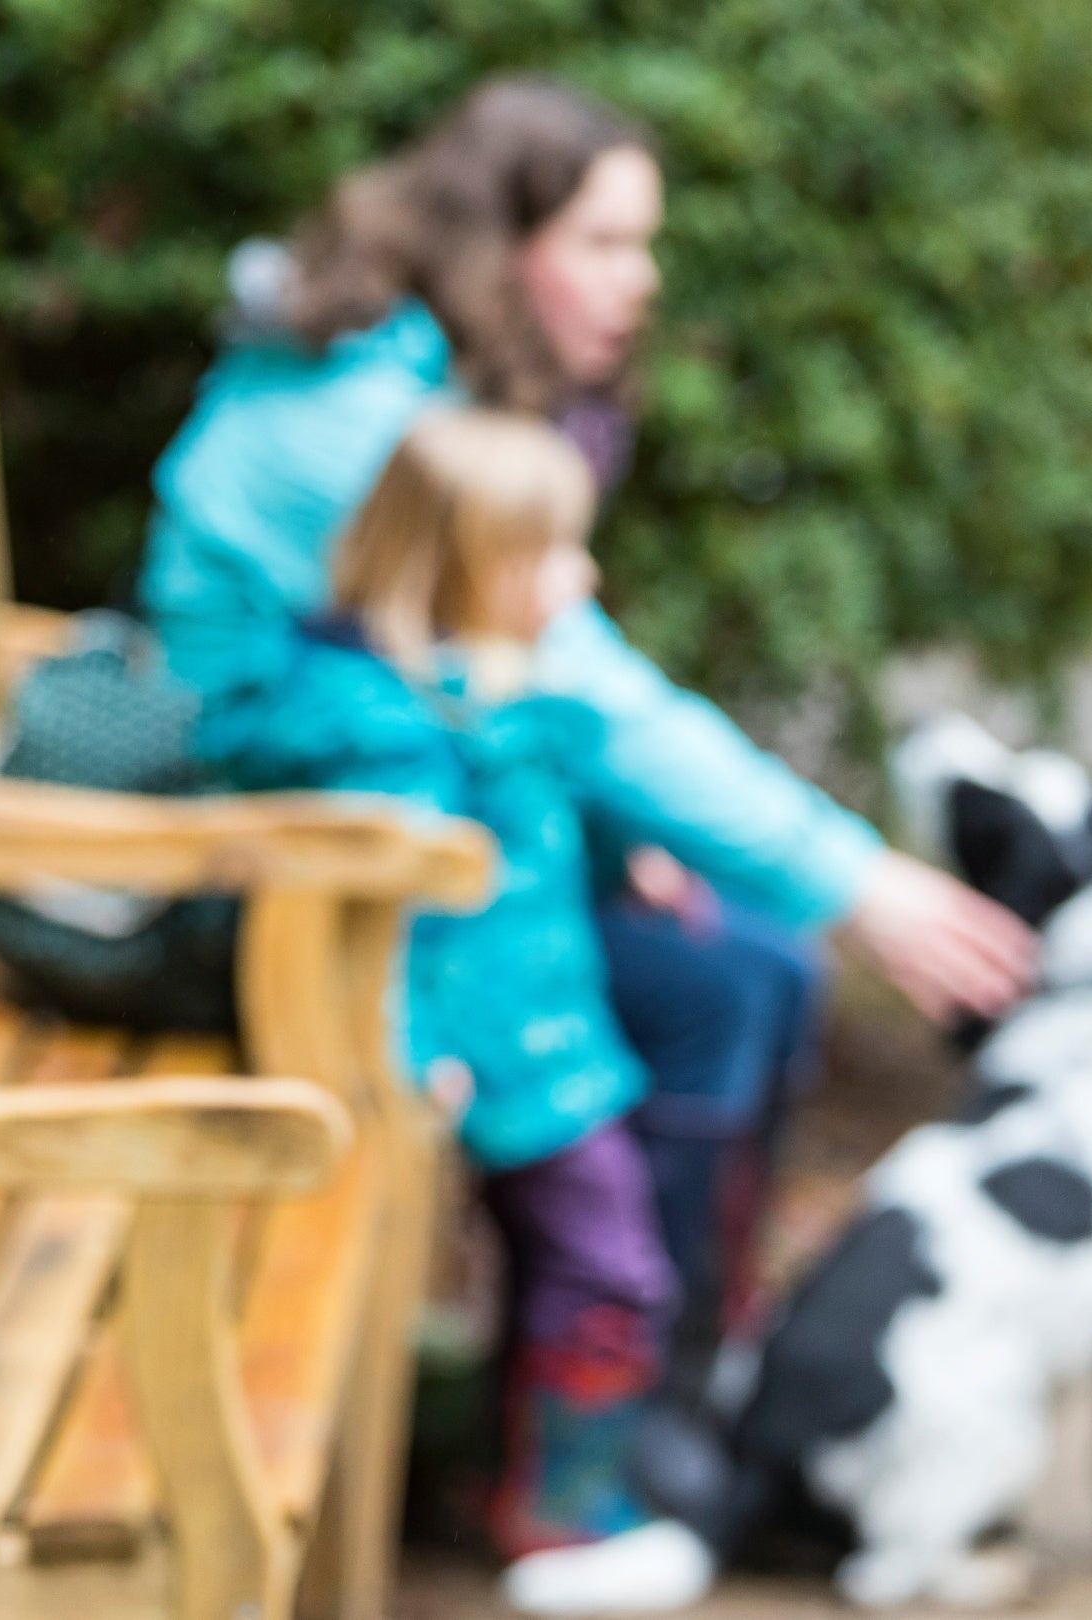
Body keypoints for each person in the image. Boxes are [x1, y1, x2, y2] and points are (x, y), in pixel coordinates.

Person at [144, 77, 1038, 1403]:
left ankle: (673, 1376)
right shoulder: (361, 422)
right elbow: (574, 694)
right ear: (502, 247)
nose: (644, 278)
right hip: (273, 878)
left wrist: (628, 841)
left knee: (745, 963)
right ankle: (606, 1418)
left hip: (386, 831)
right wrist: (854, 878)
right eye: (609, 242)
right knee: (724, 981)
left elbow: (483, 693)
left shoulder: (407, 373)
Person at [313, 408, 704, 1613]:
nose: (582, 579)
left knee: (550, 1262)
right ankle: (565, 1519)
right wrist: (410, 1052)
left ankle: (513, 1478)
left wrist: (619, 853)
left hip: (551, 1040)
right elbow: (392, 924)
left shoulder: (503, 700)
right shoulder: (403, 739)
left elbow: (535, 832)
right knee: (612, 1272)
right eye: (552, 555)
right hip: (509, 1063)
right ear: (462, 570)